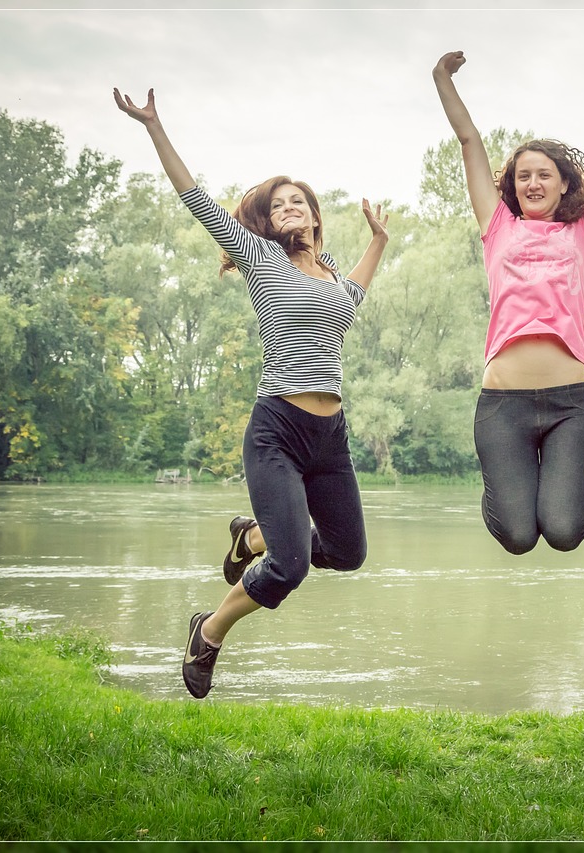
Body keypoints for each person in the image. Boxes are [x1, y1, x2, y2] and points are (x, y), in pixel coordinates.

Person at [114, 87, 390, 697]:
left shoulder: (335, 275)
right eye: (279, 203)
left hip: (330, 436)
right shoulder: (263, 258)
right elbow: (196, 201)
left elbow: (356, 297)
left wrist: (379, 241)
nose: (290, 207)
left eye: (300, 202)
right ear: (269, 221)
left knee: (347, 553)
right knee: (290, 567)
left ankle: (254, 534)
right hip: (278, 431)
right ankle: (209, 631)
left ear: (316, 217)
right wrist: (155, 126)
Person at [431, 50, 584, 554]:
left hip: (569, 405)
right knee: (518, 537)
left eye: (544, 174)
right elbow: (469, 141)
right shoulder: (496, 227)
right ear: (511, 186)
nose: (533, 183)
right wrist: (442, 79)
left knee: (563, 532)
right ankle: (505, 485)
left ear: (563, 183)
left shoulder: (583, 231)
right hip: (502, 407)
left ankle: (566, 488)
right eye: (523, 175)